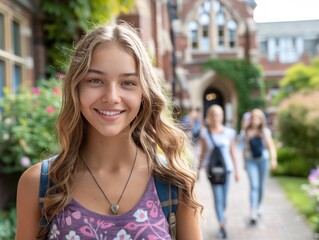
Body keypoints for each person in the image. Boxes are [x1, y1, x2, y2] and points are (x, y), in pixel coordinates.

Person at [16, 21, 203, 240]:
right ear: (76, 88)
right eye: (95, 80)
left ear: (144, 93)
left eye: (128, 83)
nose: (111, 97)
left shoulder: (174, 183)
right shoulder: (40, 183)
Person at [197, 104, 239, 239]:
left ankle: (222, 216)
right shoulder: (205, 133)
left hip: (226, 170)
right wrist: (198, 170)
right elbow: (202, 153)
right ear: (209, 116)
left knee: (224, 200)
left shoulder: (229, 133)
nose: (216, 117)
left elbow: (232, 152)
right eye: (213, 114)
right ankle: (221, 225)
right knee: (218, 198)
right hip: (212, 170)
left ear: (222, 116)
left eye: (218, 114)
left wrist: (237, 170)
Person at [242, 108, 277, 224]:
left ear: (261, 120)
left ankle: (258, 206)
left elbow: (271, 146)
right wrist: (243, 162)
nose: (254, 120)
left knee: (261, 186)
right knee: (254, 186)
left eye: (257, 118)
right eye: (253, 117)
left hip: (263, 161)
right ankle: (253, 211)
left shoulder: (265, 132)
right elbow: (244, 148)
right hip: (250, 161)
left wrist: (273, 160)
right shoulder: (246, 131)